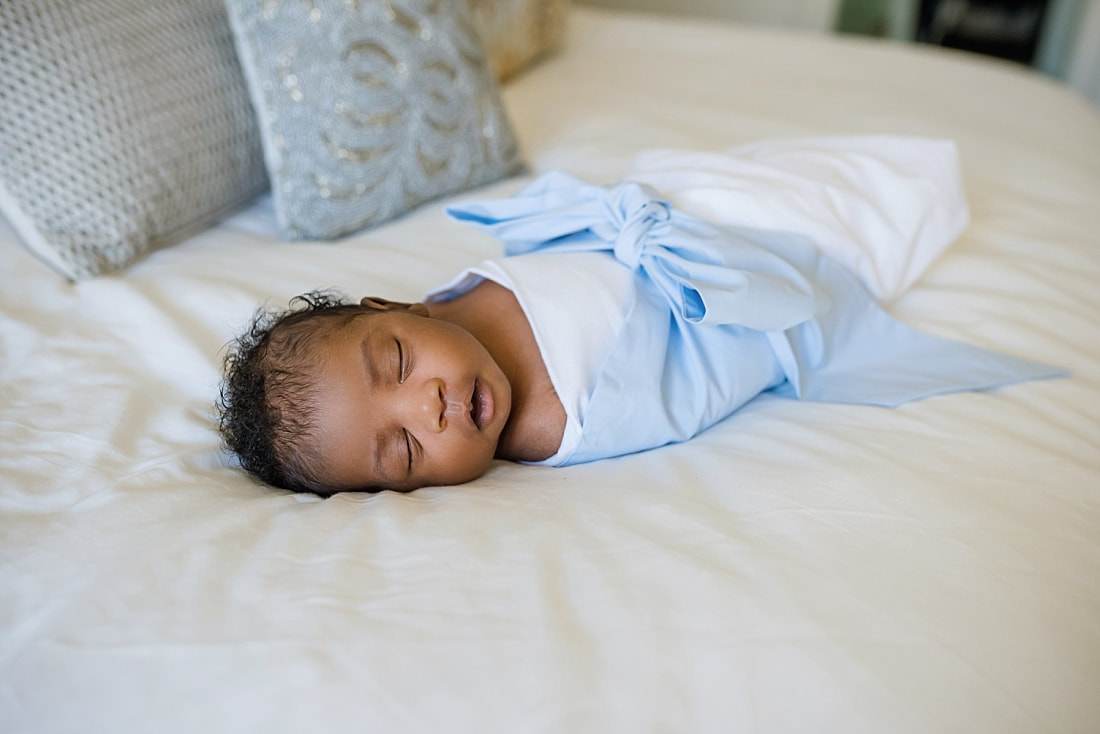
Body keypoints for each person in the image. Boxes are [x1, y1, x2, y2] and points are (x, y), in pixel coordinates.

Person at [218, 141, 1066, 496]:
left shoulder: (455, 294)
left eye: (396, 363)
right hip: (718, 286)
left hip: (674, 216)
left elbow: (569, 240)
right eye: (402, 452)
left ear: (393, 307)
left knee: (802, 174)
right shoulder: (554, 426)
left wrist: (643, 220)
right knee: (857, 231)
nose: (429, 407)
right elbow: (695, 381)